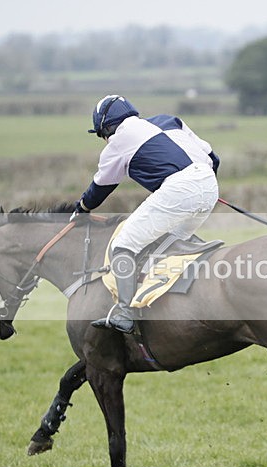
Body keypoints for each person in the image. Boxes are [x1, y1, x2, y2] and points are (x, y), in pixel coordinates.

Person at [72, 95, 220, 333]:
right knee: (168, 246)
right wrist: (204, 186)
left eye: (102, 135)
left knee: (123, 245)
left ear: (106, 128)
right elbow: (213, 157)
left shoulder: (118, 140)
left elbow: (102, 186)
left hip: (180, 188)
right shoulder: (169, 121)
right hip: (208, 183)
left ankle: (124, 312)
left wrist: (83, 208)